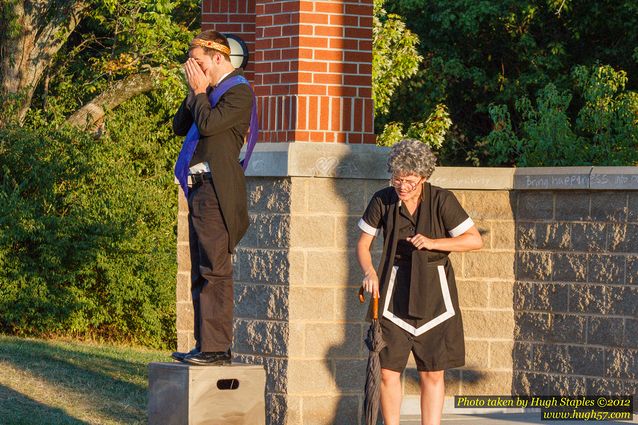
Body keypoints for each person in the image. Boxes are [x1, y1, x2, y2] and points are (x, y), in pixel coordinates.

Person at [356, 139, 483, 425]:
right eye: (397, 178)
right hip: (392, 293)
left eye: (410, 181)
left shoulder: (442, 199)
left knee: (432, 372)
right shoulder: (382, 199)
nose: (402, 185)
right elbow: (363, 245)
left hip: (435, 295)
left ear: (423, 178)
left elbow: (474, 240)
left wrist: (433, 242)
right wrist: (369, 272)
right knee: (388, 371)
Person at [170, 30, 254, 366]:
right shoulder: (206, 92)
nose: (192, 67)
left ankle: (218, 349)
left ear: (217, 58)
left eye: (198, 61)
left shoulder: (239, 92)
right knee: (199, 270)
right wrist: (195, 91)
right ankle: (204, 344)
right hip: (198, 190)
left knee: (215, 270)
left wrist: (200, 92)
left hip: (217, 190)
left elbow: (208, 125)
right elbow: (180, 126)